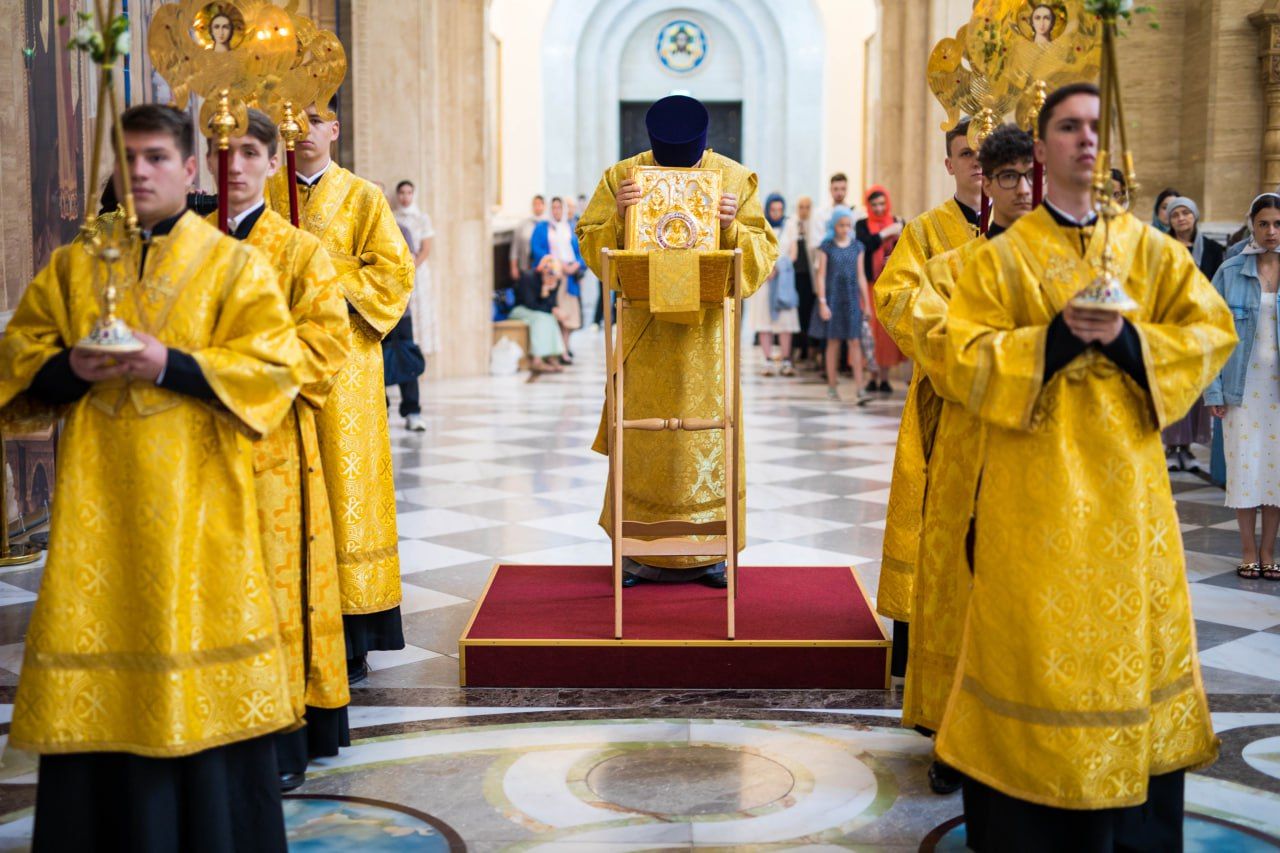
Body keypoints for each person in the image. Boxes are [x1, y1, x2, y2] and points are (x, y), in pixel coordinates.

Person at [938, 82, 1234, 849]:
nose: (1086, 138)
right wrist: (1057, 339)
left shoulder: (1150, 251)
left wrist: (1130, 341)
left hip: (1131, 499)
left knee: (1129, 647)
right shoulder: (1003, 258)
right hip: (1032, 499)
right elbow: (960, 354)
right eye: (1069, 126)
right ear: (1042, 149)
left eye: (1097, 125)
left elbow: (1211, 331)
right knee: (1031, 649)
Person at [0, 103, 303, 851]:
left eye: (157, 157)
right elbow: (18, 360)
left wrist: (167, 363)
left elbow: (274, 370)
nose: (139, 171)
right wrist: (72, 366)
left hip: (200, 512)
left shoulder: (233, 266)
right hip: (97, 516)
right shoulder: (75, 266)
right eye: (128, 157)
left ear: (190, 168)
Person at [207, 109, 353, 792]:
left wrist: (228, 373)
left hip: (272, 450)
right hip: (196, 449)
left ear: (273, 163)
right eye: (222, 151)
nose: (234, 164)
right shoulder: (187, 248)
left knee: (273, 583)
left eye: (249, 152)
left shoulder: (299, 251)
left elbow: (325, 346)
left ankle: (283, 730)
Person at [577, 94, 778, 588]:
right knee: (644, 443)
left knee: (707, 440)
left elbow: (762, 256)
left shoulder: (734, 179)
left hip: (707, 346)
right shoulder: (622, 177)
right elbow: (590, 245)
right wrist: (619, 218)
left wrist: (732, 226)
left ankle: (711, 552)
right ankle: (636, 550)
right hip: (645, 339)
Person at [266, 99, 415, 685]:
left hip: (348, 364)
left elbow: (394, 272)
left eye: (314, 119)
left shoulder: (363, 196)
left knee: (344, 484)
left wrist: (323, 276)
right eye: (292, 119)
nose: (302, 130)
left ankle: (353, 635)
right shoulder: (265, 196)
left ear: (334, 128)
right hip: (277, 358)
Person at [907, 123, 1036, 796]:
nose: (1020, 188)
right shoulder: (955, 264)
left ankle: (1026, 732)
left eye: (1029, 175)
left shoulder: (1079, 263)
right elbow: (926, 325)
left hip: (1045, 455)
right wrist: (997, 362)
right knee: (962, 588)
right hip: (970, 448)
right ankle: (955, 736)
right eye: (1006, 175)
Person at [871, 118, 982, 680]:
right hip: (942, 394)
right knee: (931, 512)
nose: (978, 163)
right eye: (966, 153)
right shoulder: (927, 230)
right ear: (949, 163)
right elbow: (893, 295)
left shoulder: (1029, 229)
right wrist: (952, 340)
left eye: (987, 154)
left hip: (1008, 397)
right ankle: (919, 639)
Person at [1206, 193, 1280, 581]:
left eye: (1278, 224)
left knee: (1277, 471)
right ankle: (1248, 551)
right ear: (1252, 224)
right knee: (1245, 468)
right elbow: (1210, 334)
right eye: (1264, 223)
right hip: (1242, 389)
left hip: (1278, 392)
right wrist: (1214, 391)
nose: (1271, 231)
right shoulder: (1230, 270)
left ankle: (1269, 551)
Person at [1162, 195, 1225, 472]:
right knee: (1173, 383)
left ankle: (1187, 447)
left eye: (1186, 213)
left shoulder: (1212, 249)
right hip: (1170, 325)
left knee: (1194, 387)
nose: (1181, 218)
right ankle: (1171, 445)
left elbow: (1217, 284)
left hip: (1199, 325)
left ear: (1195, 216)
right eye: (1176, 214)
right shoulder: (1161, 245)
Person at [811, 207, 871, 401]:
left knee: (855, 341)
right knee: (833, 342)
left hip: (852, 299)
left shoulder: (858, 247)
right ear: (834, 225)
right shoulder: (826, 246)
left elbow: (861, 276)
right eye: (841, 225)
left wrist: (867, 304)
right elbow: (821, 276)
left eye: (848, 225)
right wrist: (822, 302)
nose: (845, 229)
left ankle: (860, 388)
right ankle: (831, 386)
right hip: (833, 299)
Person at [392, 179, 434, 431]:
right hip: (372, 307)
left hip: (400, 304)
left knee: (405, 353)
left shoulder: (402, 230)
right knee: (378, 358)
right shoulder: (360, 228)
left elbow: (409, 261)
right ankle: (380, 410)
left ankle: (412, 410)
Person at [856, 186, 906, 393]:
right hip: (869, 285)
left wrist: (893, 256)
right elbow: (865, 245)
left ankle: (884, 378)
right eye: (874, 204)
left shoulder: (898, 221)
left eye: (882, 204)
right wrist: (886, 232)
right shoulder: (862, 225)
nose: (878, 208)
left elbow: (905, 249)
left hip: (889, 285)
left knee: (886, 333)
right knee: (870, 331)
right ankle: (872, 377)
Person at [751, 193, 801, 376]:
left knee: (785, 321)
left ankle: (786, 360)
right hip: (766, 279)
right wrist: (768, 268)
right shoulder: (761, 226)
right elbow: (756, 251)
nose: (776, 213)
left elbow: (793, 253)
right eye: (773, 209)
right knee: (764, 320)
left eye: (780, 209)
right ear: (768, 209)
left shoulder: (790, 225)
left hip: (783, 278)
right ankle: (768, 361)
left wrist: (779, 266)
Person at [531, 196, 584, 363]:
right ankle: (558, 351)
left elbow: (581, 250)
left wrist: (577, 265)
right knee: (557, 314)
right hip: (553, 277)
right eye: (553, 208)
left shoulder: (571, 227)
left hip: (570, 279)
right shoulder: (543, 227)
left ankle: (565, 348)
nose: (556, 211)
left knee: (569, 316)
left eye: (559, 207)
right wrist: (557, 263)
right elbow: (537, 249)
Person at [510, 256, 569, 374]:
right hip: (521, 309)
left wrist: (549, 295)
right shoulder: (528, 277)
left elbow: (551, 304)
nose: (551, 277)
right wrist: (544, 291)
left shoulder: (556, 281)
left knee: (550, 318)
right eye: (549, 274)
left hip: (540, 311)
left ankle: (551, 356)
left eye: (554, 275)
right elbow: (531, 304)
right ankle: (537, 359)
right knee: (542, 318)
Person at [793, 195, 819, 364]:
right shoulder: (792, 224)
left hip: (810, 278)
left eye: (807, 207)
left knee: (809, 313)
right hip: (795, 277)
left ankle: (811, 349)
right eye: (801, 207)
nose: (804, 210)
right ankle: (799, 349)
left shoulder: (815, 225)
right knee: (797, 313)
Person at [510, 194, 546, 282]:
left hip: (544, 269)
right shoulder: (523, 224)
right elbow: (515, 248)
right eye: (535, 204)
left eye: (540, 204)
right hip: (526, 266)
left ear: (544, 206)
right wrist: (513, 267)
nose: (537, 207)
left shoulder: (548, 225)